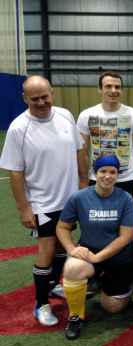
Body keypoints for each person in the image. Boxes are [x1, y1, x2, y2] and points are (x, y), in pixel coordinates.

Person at [0, 76, 85, 326]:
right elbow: (14, 171)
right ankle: (41, 304)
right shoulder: (18, 128)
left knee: (61, 247)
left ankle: (50, 286)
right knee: (47, 251)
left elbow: (79, 150)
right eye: (34, 98)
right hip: (42, 204)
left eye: (44, 96)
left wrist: (83, 184)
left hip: (69, 201)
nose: (41, 102)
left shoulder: (65, 116)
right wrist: (24, 209)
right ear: (25, 98)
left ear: (53, 93)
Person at [77, 70, 133, 297]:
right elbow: (83, 151)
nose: (113, 90)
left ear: (121, 89)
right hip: (98, 182)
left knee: (129, 232)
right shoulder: (86, 115)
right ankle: (95, 274)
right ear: (100, 89)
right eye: (108, 86)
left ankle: (131, 272)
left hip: (127, 181)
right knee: (95, 227)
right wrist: (83, 181)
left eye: (117, 86)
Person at [56, 155, 133, 340]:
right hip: (89, 253)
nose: (107, 176)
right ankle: (76, 316)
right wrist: (71, 248)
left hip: (120, 258)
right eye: (103, 171)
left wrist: (98, 258)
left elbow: (126, 237)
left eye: (112, 172)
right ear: (95, 172)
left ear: (117, 175)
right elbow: (62, 227)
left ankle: (121, 280)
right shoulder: (79, 197)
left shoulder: (125, 199)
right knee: (72, 267)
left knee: (113, 308)